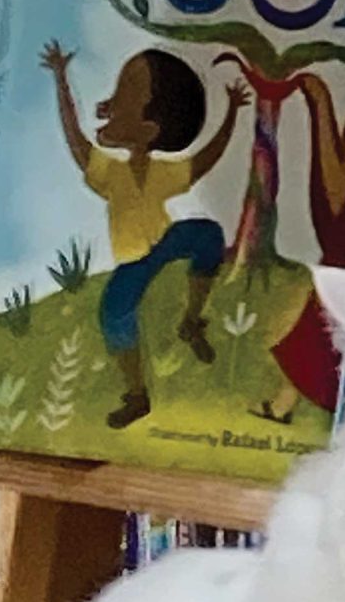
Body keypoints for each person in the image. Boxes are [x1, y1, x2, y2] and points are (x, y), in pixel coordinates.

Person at [41, 41, 246, 427]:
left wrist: (232, 113)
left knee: (208, 236)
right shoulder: (110, 174)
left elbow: (207, 158)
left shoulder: (161, 174)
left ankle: (191, 321)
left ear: (149, 129)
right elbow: (76, 139)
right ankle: (137, 395)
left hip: (165, 243)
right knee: (114, 313)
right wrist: (61, 79)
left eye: (119, 99)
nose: (105, 106)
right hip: (134, 259)